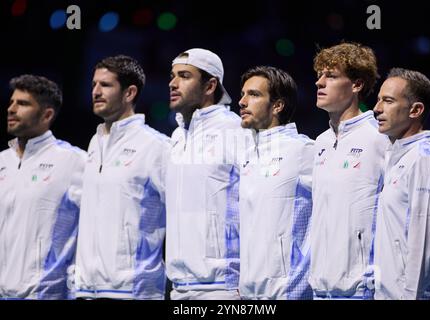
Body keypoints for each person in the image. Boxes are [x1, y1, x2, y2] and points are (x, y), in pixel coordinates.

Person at [74, 55, 170, 299]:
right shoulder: (95, 142)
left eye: (105, 85)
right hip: (87, 288)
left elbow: (183, 213)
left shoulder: (157, 146)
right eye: (94, 84)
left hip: (133, 289)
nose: (96, 91)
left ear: (129, 93)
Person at [309, 42, 389, 299]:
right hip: (320, 287)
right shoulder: (320, 142)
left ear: (357, 85)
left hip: (360, 288)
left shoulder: (379, 138)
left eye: (330, 76)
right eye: (319, 75)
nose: (319, 83)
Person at [0, 74, 86, 299]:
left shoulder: (74, 161)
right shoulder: (2, 162)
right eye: (11, 102)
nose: (11, 109)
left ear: (47, 114)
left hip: (47, 293)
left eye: (23, 104)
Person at [165, 48, 241, 300]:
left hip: (222, 287)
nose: (173, 83)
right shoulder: (177, 137)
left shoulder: (234, 130)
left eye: (184, 76)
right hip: (178, 287)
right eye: (173, 76)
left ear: (210, 86)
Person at [238, 66, 315, 299]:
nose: (242, 102)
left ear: (277, 106)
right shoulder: (248, 154)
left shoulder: (303, 149)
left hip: (287, 291)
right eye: (242, 94)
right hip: (249, 292)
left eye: (253, 94)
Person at [373, 68, 430, 299]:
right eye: (378, 100)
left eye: (387, 101)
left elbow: (424, 241)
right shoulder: (396, 156)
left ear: (416, 110)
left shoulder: (424, 159)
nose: (377, 109)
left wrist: (410, 296)